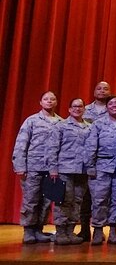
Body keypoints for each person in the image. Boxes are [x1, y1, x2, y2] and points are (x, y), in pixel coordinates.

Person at [13, 91, 62, 244]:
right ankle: (28, 230)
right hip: (33, 167)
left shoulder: (61, 122)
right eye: (46, 99)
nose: (49, 101)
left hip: (52, 169)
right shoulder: (32, 121)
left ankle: (39, 229)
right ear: (40, 102)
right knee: (31, 199)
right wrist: (20, 165)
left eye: (52, 99)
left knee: (47, 201)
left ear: (56, 102)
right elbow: (21, 144)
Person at [85, 95, 116, 245]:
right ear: (106, 107)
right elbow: (90, 146)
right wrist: (90, 167)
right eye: (111, 103)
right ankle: (97, 231)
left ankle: (113, 231)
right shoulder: (98, 124)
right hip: (101, 167)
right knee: (99, 200)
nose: (114, 106)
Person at [48, 98, 91, 245]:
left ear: (84, 109)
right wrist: (53, 169)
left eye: (80, 106)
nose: (77, 109)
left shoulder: (89, 127)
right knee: (63, 201)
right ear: (69, 109)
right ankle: (60, 232)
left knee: (77, 202)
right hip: (64, 169)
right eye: (74, 106)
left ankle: (70, 231)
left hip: (82, 171)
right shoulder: (61, 126)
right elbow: (52, 148)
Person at [80, 80, 112, 241]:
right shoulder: (84, 110)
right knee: (84, 197)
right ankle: (84, 229)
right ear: (94, 91)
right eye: (99, 88)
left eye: (105, 89)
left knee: (102, 197)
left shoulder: (114, 110)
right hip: (85, 160)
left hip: (106, 162)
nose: (102, 91)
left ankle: (100, 229)